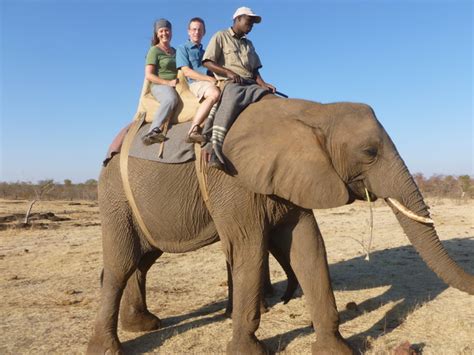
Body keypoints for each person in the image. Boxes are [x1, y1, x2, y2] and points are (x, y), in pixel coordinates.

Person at [203, 7, 276, 170]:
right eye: (248, 21)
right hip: (231, 83)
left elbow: (255, 70)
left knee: (271, 99)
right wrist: (227, 72)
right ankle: (215, 146)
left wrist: (264, 84)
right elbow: (207, 61)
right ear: (237, 19)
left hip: (250, 83)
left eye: (252, 23)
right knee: (231, 98)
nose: (250, 25)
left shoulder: (249, 44)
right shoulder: (221, 36)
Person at [176, 17, 221, 144]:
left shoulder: (206, 52)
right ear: (188, 31)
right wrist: (209, 79)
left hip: (210, 81)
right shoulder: (182, 48)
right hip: (194, 83)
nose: (197, 32)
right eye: (194, 29)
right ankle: (193, 129)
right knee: (214, 94)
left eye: (200, 30)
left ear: (204, 33)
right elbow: (186, 71)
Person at [142, 19, 179, 145]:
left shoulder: (176, 51)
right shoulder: (154, 51)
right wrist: (167, 83)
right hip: (159, 85)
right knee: (171, 99)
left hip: (177, 84)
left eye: (167, 30)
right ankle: (153, 131)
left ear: (171, 32)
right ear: (157, 34)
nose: (164, 33)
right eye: (161, 31)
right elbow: (149, 75)